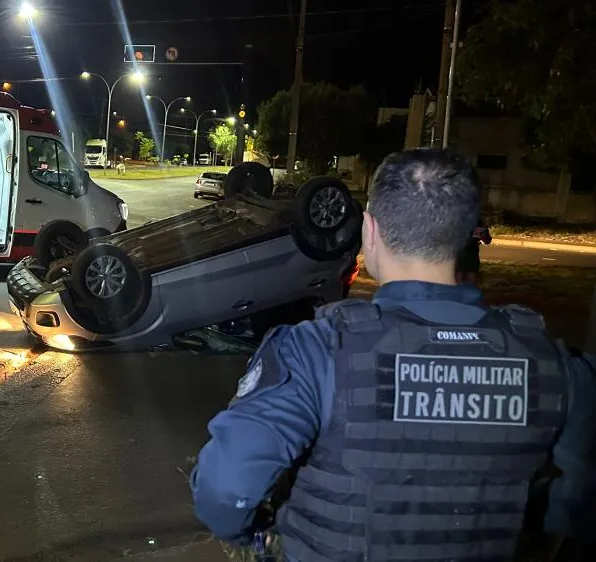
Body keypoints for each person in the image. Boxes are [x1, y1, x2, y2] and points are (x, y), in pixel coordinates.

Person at [189, 148, 595, 561]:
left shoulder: (317, 350)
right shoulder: (554, 364)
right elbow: (579, 496)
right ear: (469, 234)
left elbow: (225, 490)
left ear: (369, 231)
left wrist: (256, 539)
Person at [456, 219, 492, 287]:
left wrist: (483, 234)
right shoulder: (458, 220)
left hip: (471, 255)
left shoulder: (478, 222)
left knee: (470, 283)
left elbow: (487, 240)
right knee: (459, 283)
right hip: (459, 255)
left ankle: (467, 295)